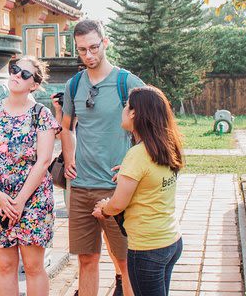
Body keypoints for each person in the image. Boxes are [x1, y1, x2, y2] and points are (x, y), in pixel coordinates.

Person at [59, 19, 144, 296]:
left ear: (105, 43)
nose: (89, 55)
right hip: (81, 186)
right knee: (87, 259)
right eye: (82, 50)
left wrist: (134, 164)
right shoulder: (74, 85)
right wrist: (69, 156)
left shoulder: (126, 82)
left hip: (116, 187)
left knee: (125, 261)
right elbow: (66, 126)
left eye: (94, 47)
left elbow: (153, 125)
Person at [0, 56, 60, 296]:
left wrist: (19, 201)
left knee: (33, 267)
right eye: (14, 70)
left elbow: (44, 160)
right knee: (5, 266)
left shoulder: (41, 115)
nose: (16, 75)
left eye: (25, 74)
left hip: (33, 199)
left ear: (34, 84)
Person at [93, 86, 184, 296]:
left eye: (126, 106)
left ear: (134, 113)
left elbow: (118, 204)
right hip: (171, 241)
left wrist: (104, 209)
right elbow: (150, 180)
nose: (123, 111)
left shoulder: (137, 154)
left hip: (147, 248)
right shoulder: (166, 146)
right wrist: (126, 175)